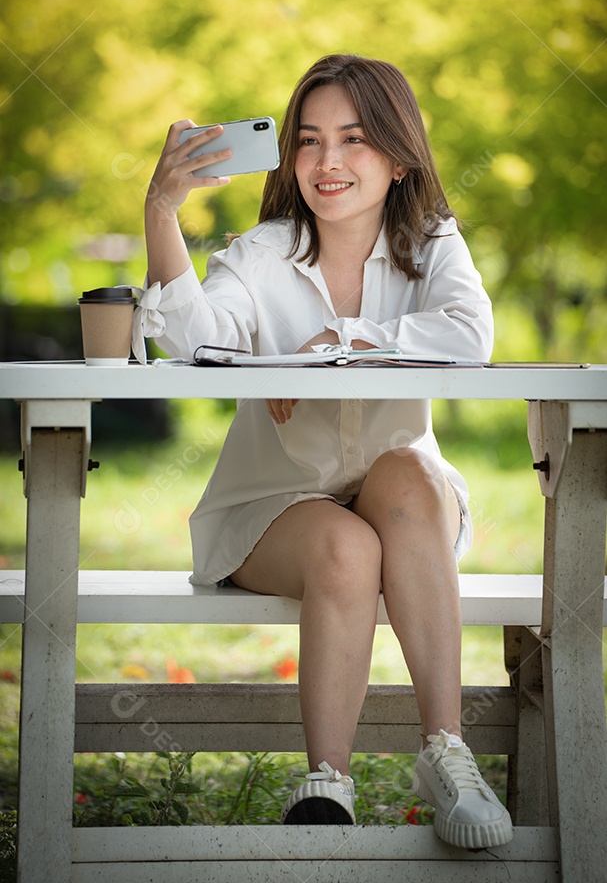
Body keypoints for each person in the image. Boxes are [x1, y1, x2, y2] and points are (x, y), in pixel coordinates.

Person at [134, 53, 513, 848]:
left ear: (398, 155)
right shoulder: (264, 252)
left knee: (407, 472)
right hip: (276, 509)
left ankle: (445, 753)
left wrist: (334, 344)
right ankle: (326, 785)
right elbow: (190, 340)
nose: (327, 162)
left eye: (352, 139)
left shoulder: (433, 243)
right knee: (344, 545)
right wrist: (162, 213)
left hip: (401, 507)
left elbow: (469, 336)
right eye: (307, 141)